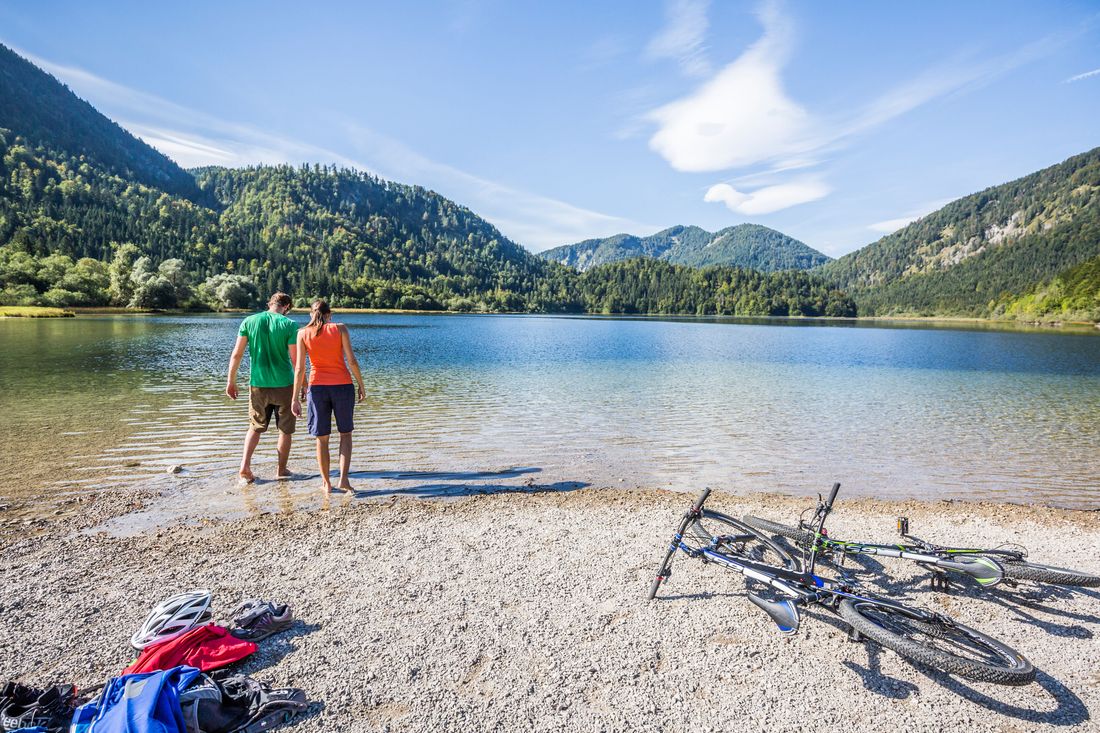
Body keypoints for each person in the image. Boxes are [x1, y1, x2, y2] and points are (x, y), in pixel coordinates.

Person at [291, 299, 365, 493]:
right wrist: (361, 384)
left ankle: (326, 483)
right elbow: (352, 360)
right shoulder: (340, 329)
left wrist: (295, 398)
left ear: (311, 314)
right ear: (329, 314)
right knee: (345, 434)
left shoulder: (302, 333)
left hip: (317, 389)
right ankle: (343, 480)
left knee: (321, 438)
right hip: (342, 386)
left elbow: (299, 369)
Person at [225, 292, 299, 483]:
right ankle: (281, 470)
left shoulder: (249, 321)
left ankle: (244, 467)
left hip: (257, 384)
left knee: (255, 427)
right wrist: (304, 385)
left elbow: (236, 355)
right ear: (287, 307)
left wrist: (231, 381)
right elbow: (295, 360)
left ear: (270, 303)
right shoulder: (289, 325)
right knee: (285, 430)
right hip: (284, 384)